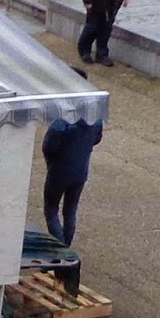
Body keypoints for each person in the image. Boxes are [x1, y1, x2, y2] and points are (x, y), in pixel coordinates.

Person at [41, 105, 103, 251]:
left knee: (51, 210)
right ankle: (66, 246)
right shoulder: (95, 119)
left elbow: (49, 147)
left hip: (58, 172)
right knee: (70, 210)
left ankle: (60, 249)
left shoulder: (62, 123)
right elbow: (97, 139)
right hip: (80, 171)